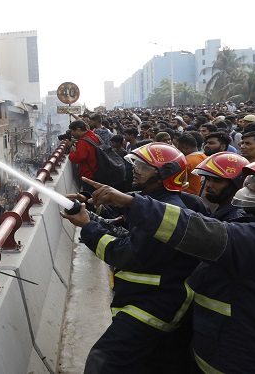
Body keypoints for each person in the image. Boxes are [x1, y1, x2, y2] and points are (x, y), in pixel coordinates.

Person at [77, 155, 255, 374]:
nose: (250, 189)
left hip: (249, 357)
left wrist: (133, 203)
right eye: (250, 183)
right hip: (236, 345)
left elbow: (202, 232)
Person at [60, 142, 201, 373]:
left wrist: (87, 227)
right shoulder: (154, 201)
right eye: (136, 163)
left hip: (153, 307)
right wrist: (89, 203)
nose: (135, 169)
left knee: (104, 362)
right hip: (145, 300)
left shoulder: (166, 213)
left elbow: (123, 254)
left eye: (144, 167)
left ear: (163, 175)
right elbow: (122, 217)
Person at [192, 152, 249, 220]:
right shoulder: (224, 210)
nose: (208, 185)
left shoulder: (235, 219)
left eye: (217, 181)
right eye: (208, 179)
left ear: (236, 184)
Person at [66, 120, 101, 194]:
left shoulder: (83, 142)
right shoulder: (93, 135)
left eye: (72, 131)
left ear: (78, 129)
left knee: (89, 197)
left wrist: (70, 148)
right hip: (98, 171)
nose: (72, 134)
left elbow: (77, 157)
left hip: (89, 175)